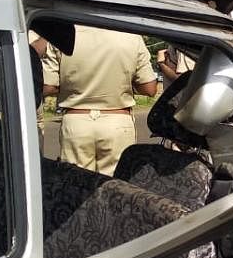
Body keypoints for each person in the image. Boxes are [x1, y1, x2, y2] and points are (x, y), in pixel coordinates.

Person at [42, 26, 157, 174]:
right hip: (117, 121)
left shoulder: (61, 35)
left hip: (76, 120)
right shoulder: (131, 36)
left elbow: (48, 87)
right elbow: (149, 89)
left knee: (76, 184)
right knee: (117, 187)